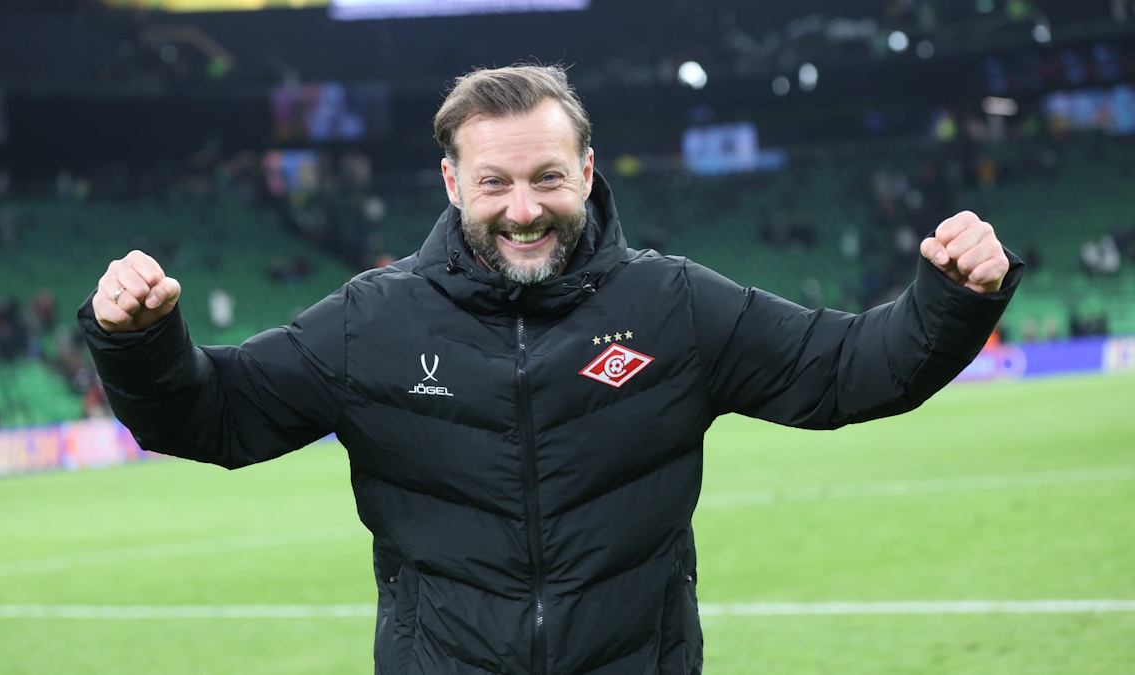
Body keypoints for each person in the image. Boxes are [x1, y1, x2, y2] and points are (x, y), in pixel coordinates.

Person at [79, 65, 1022, 675]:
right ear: (453, 182)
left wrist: (948, 296)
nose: (523, 208)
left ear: (588, 171)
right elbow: (214, 416)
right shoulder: (372, 321)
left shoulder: (674, 305)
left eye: (547, 177)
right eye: (494, 181)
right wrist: (142, 341)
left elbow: (850, 370)